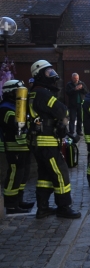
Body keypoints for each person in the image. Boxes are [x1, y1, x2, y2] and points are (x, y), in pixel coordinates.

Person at [28, 60, 81, 219]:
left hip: (38, 143)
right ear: (39, 75)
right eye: (47, 72)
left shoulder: (33, 92)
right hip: (47, 143)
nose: (51, 74)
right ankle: (64, 207)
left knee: (44, 176)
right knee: (61, 172)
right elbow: (61, 110)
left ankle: (42, 208)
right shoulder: (43, 93)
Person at [0, 80, 34, 214]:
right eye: (17, 92)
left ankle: (19, 200)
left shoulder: (17, 106)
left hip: (23, 145)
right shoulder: (5, 107)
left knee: (23, 174)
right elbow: (16, 124)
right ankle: (10, 204)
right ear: (10, 93)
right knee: (15, 173)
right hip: (13, 146)